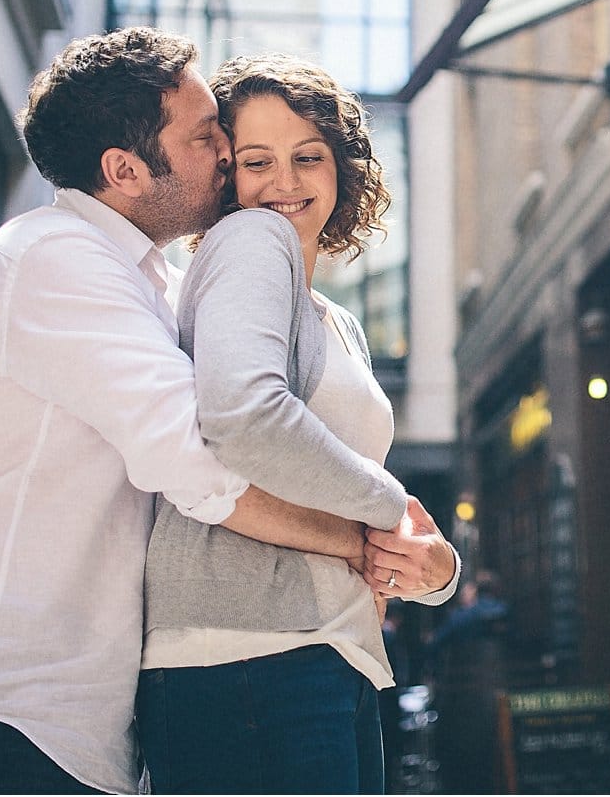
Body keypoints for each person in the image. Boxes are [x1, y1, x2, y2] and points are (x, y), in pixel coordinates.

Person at [0, 28, 418, 794]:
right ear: (124, 169)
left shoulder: (153, 283)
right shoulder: (52, 257)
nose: (225, 153)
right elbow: (204, 465)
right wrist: (364, 539)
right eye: (206, 135)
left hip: (76, 734)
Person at [135, 53, 459, 794]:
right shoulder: (251, 241)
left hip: (325, 652)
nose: (284, 181)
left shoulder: (338, 320)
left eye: (307, 156)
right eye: (256, 160)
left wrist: (436, 569)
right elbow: (244, 416)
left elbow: (338, 481)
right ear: (226, 176)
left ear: (341, 167)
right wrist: (384, 511)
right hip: (247, 660)